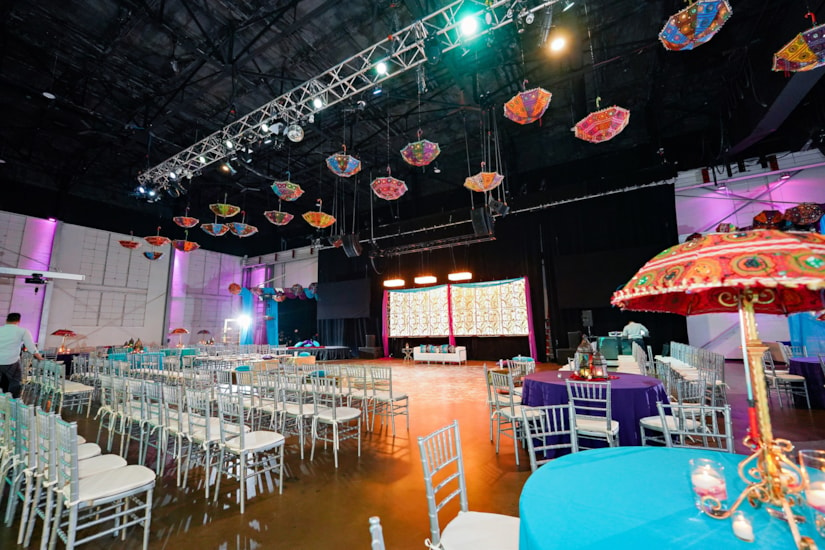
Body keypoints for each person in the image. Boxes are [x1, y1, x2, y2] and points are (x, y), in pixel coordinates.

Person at [0, 312, 43, 398]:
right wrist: (39, 357)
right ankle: (13, 401)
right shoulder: (22, 331)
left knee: (2, 381)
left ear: (6, 320)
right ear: (18, 320)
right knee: (15, 381)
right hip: (11, 361)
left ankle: (2, 399)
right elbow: (30, 346)